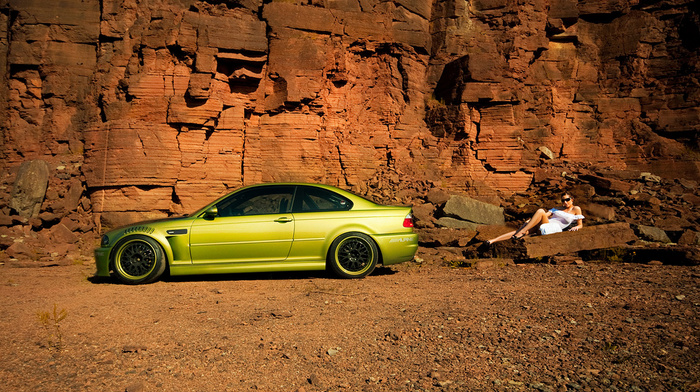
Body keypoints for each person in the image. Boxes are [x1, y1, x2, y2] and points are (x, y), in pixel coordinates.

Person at [486, 193, 584, 245]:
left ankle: (523, 231)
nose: (565, 202)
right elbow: (545, 214)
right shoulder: (557, 208)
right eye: (563, 200)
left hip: (553, 228)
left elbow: (580, 224)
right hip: (546, 223)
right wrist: (531, 221)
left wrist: (577, 228)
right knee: (517, 231)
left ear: (572, 199)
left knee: (540, 211)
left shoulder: (576, 209)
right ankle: (493, 240)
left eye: (567, 200)